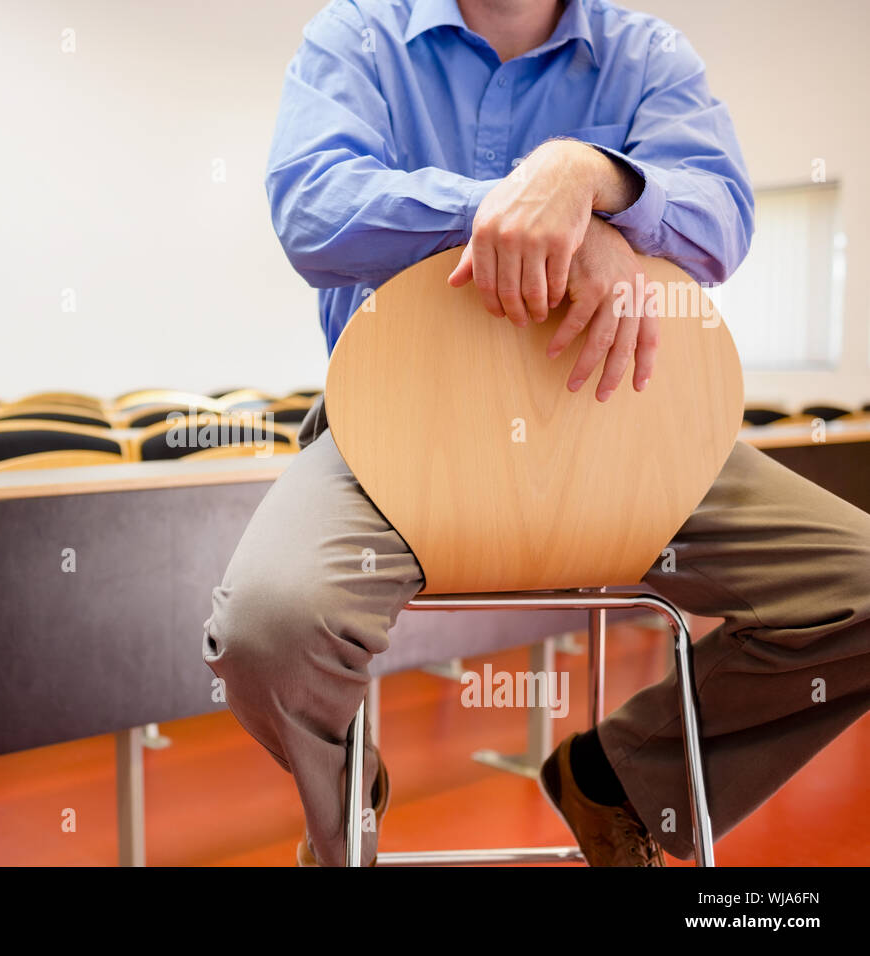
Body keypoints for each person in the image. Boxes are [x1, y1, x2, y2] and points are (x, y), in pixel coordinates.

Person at [202, 0, 870, 866]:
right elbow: (315, 210)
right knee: (266, 629)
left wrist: (594, 173)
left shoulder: (646, 50)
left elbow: (721, 221)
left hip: (629, 424)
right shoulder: (358, 32)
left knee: (860, 585)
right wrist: (540, 207)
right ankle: (344, 825)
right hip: (394, 427)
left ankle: (621, 778)